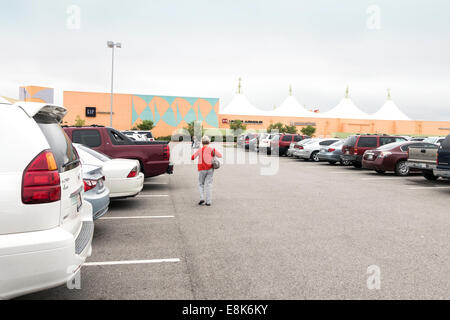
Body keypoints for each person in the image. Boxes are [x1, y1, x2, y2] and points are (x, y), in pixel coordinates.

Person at [191, 136, 222, 206]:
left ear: (202, 142)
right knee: (209, 185)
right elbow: (220, 155)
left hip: (201, 169)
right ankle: (208, 202)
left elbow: (192, 158)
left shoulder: (200, 150)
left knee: (201, 184)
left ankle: (202, 198)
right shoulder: (212, 149)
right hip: (210, 169)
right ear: (209, 142)